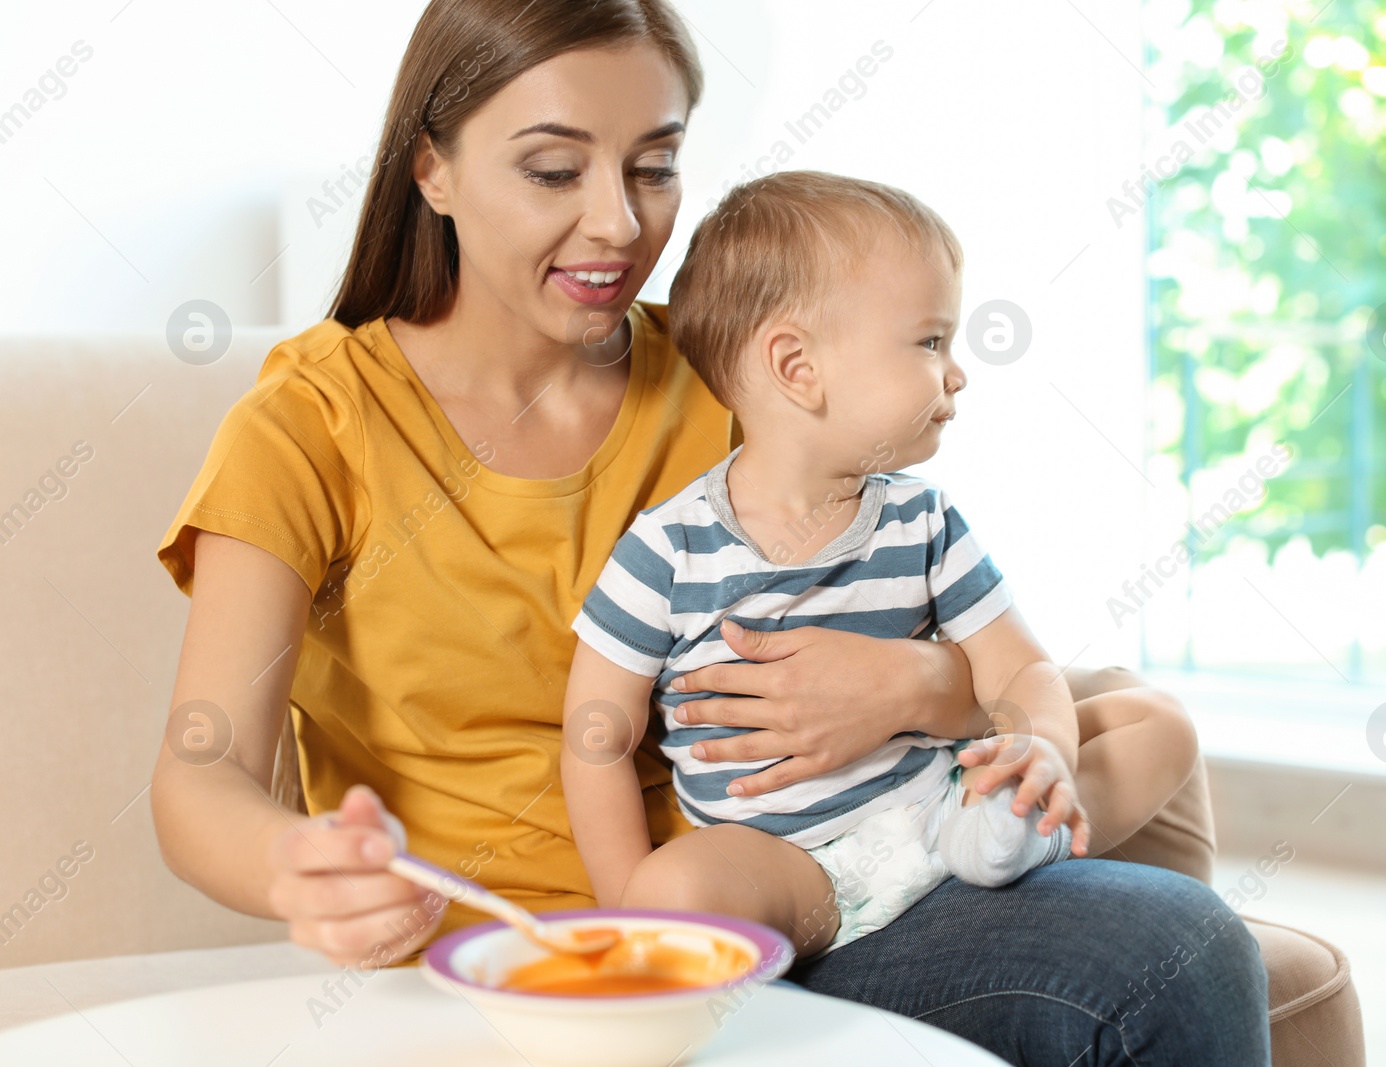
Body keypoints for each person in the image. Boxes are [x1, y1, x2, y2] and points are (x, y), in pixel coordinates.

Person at [150, 0, 1270, 1061]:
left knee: (1170, 910)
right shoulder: (312, 425)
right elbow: (202, 779)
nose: (620, 221)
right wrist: (297, 861)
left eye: (654, 165)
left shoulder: (722, 371)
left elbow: (929, 601)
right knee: (1168, 955)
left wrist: (917, 686)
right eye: (553, 169)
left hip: (802, 911)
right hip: (548, 964)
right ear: (430, 167)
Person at [561, 170, 1202, 961]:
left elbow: (1020, 671)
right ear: (798, 367)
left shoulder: (924, 518)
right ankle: (712, 941)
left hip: (943, 809)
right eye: (932, 341)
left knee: (1162, 726)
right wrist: (629, 905)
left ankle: (1016, 829)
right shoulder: (665, 550)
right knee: (671, 891)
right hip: (793, 871)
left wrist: (1042, 755)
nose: (957, 372)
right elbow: (598, 741)